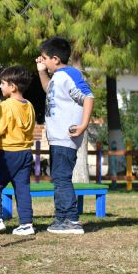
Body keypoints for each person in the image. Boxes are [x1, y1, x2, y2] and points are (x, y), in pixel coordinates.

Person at [36, 36, 94, 234]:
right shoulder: (57, 78)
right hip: (57, 137)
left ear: (55, 59)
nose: (42, 61)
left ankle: (70, 220)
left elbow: (88, 96)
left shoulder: (69, 74)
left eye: (44, 58)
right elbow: (48, 89)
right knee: (59, 177)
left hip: (65, 136)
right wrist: (41, 72)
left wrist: (83, 125)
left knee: (61, 178)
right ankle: (62, 219)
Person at [0, 66, 36, 236]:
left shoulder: (6, 105)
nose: (0, 87)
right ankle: (26, 224)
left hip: (7, 153)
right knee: (23, 188)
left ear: (13, 86)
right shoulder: (30, 105)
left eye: (3, 83)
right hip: (25, 152)